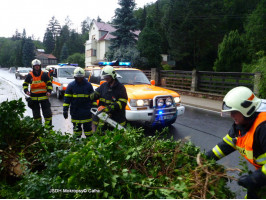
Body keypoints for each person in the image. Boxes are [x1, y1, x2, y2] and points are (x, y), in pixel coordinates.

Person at [206, 86, 266, 199]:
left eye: (234, 112)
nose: (231, 115)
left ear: (247, 109)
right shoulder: (241, 125)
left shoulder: (263, 127)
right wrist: (206, 158)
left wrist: (256, 178)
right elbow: (227, 144)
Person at [90, 65, 128, 131]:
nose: (106, 79)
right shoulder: (103, 86)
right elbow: (96, 94)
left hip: (116, 120)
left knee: (116, 139)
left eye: (107, 77)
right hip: (104, 120)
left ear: (113, 76)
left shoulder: (120, 88)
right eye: (105, 77)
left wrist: (108, 108)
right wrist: (91, 96)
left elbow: (122, 103)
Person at [63, 67, 94, 138]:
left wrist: (94, 107)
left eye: (80, 77)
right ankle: (77, 145)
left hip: (86, 112)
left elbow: (93, 98)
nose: (79, 79)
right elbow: (67, 99)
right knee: (77, 131)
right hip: (75, 112)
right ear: (74, 77)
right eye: (77, 77)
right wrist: (65, 110)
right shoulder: (71, 86)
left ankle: (90, 145)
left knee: (88, 131)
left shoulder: (88, 85)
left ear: (83, 76)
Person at [23, 59, 53, 126]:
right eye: (35, 66)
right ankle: (38, 130)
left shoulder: (44, 75)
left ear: (40, 66)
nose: (37, 67)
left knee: (48, 115)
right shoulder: (30, 75)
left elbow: (49, 84)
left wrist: (49, 91)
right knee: (36, 116)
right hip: (34, 99)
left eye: (38, 66)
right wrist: (26, 91)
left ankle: (49, 130)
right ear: (33, 66)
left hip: (44, 98)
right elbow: (25, 84)